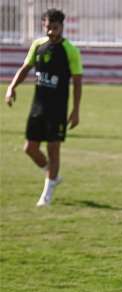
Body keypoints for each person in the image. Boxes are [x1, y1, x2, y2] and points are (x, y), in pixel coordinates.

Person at [4, 8, 82, 207]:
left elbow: (78, 82)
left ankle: (46, 195)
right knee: (30, 148)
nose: (50, 31)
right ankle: (52, 175)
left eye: (54, 28)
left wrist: (75, 110)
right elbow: (25, 68)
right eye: (47, 27)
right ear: (43, 25)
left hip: (57, 109)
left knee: (53, 148)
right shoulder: (38, 45)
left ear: (62, 27)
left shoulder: (70, 50)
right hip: (38, 106)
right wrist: (11, 87)